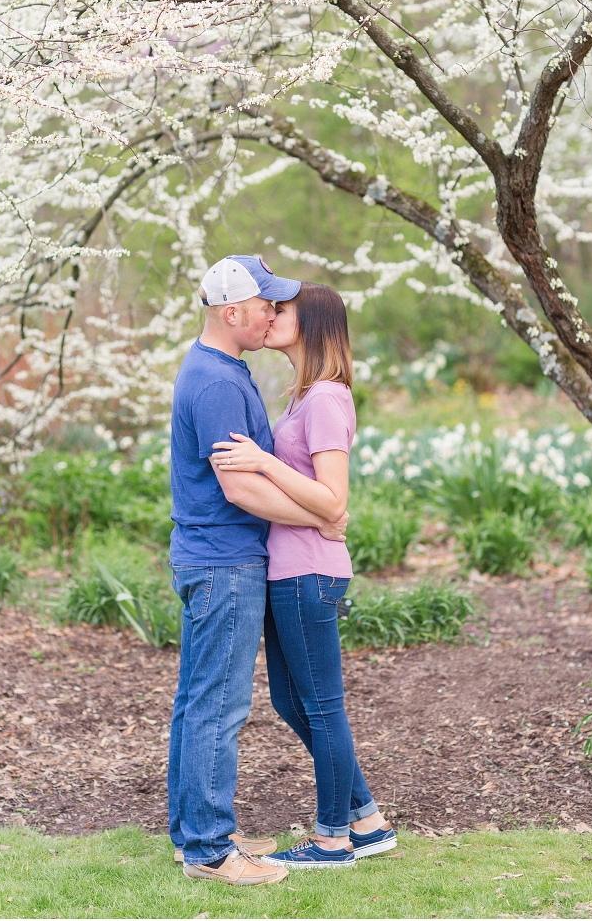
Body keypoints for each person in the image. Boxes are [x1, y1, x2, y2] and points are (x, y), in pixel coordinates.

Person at [168, 256, 349, 886]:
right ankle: (212, 852)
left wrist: (311, 514)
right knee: (218, 707)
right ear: (232, 312)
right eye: (266, 304)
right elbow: (240, 489)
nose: (273, 313)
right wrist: (318, 521)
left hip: (214, 559)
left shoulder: (223, 370)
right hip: (226, 560)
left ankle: (193, 833)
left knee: (198, 702)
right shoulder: (218, 383)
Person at [212, 282, 396, 870]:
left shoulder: (324, 400)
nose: (269, 317)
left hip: (308, 573)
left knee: (320, 706)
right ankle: (366, 820)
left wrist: (263, 462)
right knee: (296, 703)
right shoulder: (302, 397)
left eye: (282, 311)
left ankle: (332, 840)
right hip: (289, 571)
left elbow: (332, 498)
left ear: (311, 326)